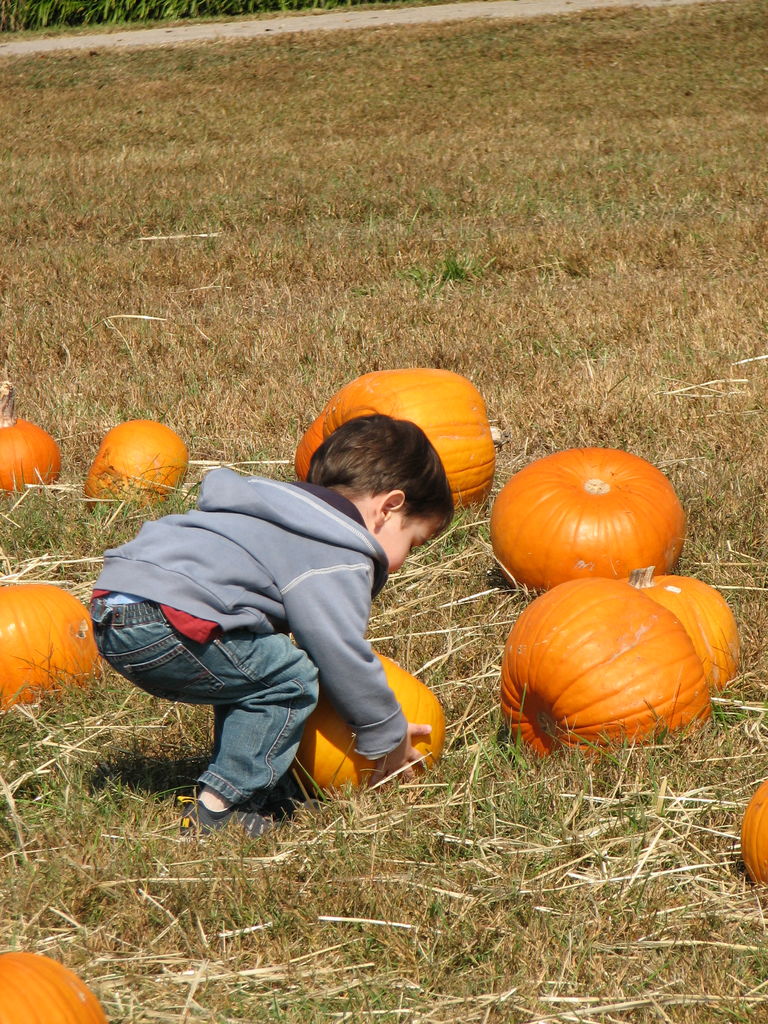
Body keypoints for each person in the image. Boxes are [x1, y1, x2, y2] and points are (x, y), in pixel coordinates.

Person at [89, 413, 454, 839]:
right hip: (167, 619)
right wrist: (385, 733)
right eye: (414, 542)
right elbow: (337, 651)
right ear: (388, 508)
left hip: (113, 605)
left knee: (254, 663)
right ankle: (219, 811)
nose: (406, 559)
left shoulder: (273, 508)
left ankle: (261, 782)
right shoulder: (338, 549)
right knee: (290, 680)